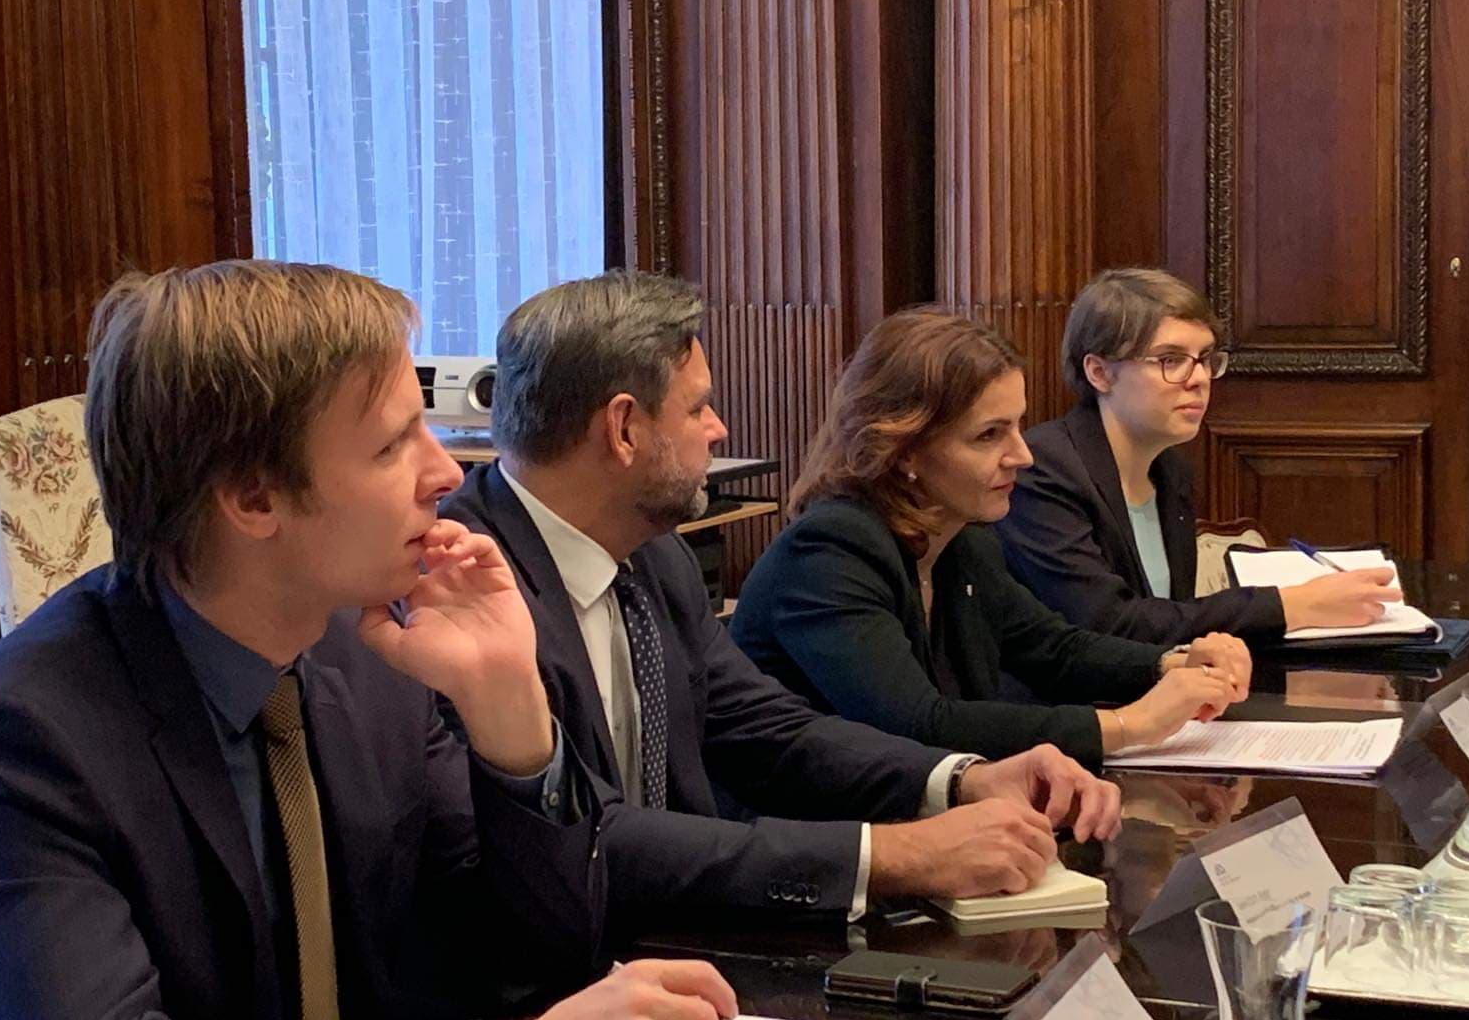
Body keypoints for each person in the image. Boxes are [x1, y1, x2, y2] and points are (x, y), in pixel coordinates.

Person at [0, 261, 739, 1020]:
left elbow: (534, 963)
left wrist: (510, 714)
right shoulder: (26, 730)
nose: (445, 472)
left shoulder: (364, 659)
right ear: (253, 495)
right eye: (392, 444)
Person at [441, 274, 1110, 931]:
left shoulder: (656, 557)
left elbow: (767, 730)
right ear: (623, 428)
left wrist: (960, 779)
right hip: (544, 977)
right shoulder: (464, 593)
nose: (719, 429)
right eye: (698, 408)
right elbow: (584, 837)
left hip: (683, 942)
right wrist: (893, 855)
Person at [732, 309, 1245, 770]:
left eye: (1018, 426)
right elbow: (918, 725)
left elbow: (1054, 650)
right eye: (989, 435)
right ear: (904, 450)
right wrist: (1129, 726)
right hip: (810, 831)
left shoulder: (964, 540)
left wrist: (1172, 664)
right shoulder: (829, 551)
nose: (1023, 455)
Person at [996, 268, 1399, 642]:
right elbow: (1108, 624)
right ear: (1099, 373)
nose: (1200, 378)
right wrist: (1292, 606)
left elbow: (1173, 619)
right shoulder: (1043, 471)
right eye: (1171, 360)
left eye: (1205, 359)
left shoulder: (1170, 472)